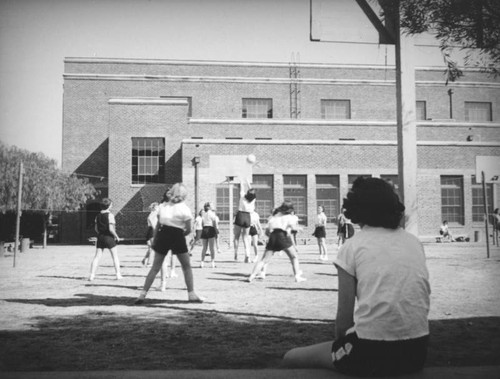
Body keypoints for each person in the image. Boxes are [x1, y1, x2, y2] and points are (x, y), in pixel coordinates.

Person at [283, 177, 430, 377]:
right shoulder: (414, 242)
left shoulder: (352, 246)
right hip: (416, 351)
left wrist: (341, 347)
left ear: (356, 209)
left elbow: (343, 321)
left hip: (370, 351)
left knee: (291, 357)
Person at [135, 183, 203, 304]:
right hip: (177, 234)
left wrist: (156, 239)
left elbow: (158, 226)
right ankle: (191, 294)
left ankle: (142, 295)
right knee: (186, 266)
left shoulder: (162, 206)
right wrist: (180, 237)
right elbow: (188, 229)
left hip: (162, 235)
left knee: (155, 267)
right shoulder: (184, 208)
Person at [248, 201, 306, 283]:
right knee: (294, 257)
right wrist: (300, 228)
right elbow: (293, 227)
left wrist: (272, 239)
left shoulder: (275, 216)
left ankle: (252, 276)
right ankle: (297, 276)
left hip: (273, 236)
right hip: (283, 236)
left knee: (263, 260)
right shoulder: (289, 217)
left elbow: (267, 231)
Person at [89, 198, 123, 281]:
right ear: (109, 206)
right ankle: (118, 275)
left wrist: (101, 233)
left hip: (100, 237)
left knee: (96, 257)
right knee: (115, 257)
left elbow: (96, 229)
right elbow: (111, 229)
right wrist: (117, 236)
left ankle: (91, 275)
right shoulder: (110, 215)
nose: (112, 205)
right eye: (111, 204)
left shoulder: (97, 216)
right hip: (109, 237)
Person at [233, 177, 256, 263]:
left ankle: (236, 253)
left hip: (240, 215)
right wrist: (248, 182)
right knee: (246, 237)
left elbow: (242, 189)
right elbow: (251, 191)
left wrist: (242, 181)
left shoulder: (243, 197)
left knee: (236, 237)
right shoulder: (253, 200)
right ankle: (247, 254)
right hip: (247, 216)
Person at [200, 202, 218, 268]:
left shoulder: (203, 213)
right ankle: (213, 262)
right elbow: (214, 222)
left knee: (204, 247)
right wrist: (216, 230)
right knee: (211, 248)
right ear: (209, 207)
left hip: (204, 229)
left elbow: (202, 222)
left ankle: (202, 262)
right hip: (210, 229)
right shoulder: (212, 213)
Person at [142, 202, 159, 267]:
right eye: (157, 206)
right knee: (153, 247)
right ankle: (149, 263)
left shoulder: (153, 212)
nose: (158, 207)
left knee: (150, 248)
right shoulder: (155, 212)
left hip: (150, 230)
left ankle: (145, 259)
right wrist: (154, 228)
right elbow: (150, 219)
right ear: (155, 207)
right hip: (152, 230)